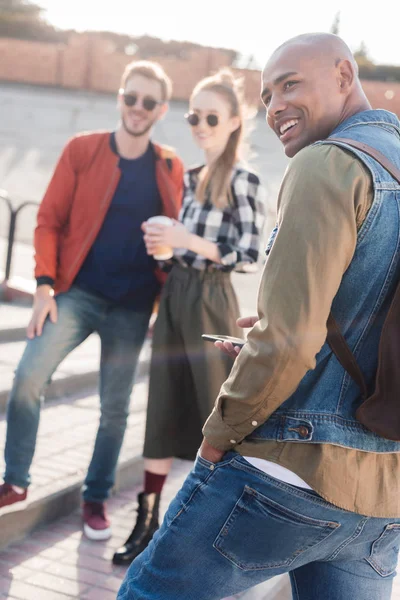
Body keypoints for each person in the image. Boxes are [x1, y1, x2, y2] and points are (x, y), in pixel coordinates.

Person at [117, 33, 400, 600]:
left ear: (345, 76)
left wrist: (219, 435)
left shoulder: (330, 163)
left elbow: (288, 342)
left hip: (289, 468)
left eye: (291, 84)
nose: (274, 107)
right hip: (384, 496)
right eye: (267, 94)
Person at [0, 60, 184, 541]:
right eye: (131, 97)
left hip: (132, 306)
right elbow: (48, 219)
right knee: (26, 378)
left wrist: (167, 265)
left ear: (161, 109)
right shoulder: (82, 149)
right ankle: (15, 480)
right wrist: (43, 286)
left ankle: (95, 496)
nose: (137, 108)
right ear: (119, 97)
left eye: (148, 102)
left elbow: (175, 237)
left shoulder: (169, 165)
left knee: (115, 410)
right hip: (76, 294)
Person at [112, 69, 266, 565]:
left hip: (212, 298)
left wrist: (188, 241)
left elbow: (247, 254)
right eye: (193, 115)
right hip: (176, 293)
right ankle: (147, 521)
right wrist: (163, 244)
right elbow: (176, 250)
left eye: (211, 116)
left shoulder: (245, 179)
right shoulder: (190, 177)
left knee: (214, 411)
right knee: (161, 407)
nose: (199, 125)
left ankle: (213, 532)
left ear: (235, 122)